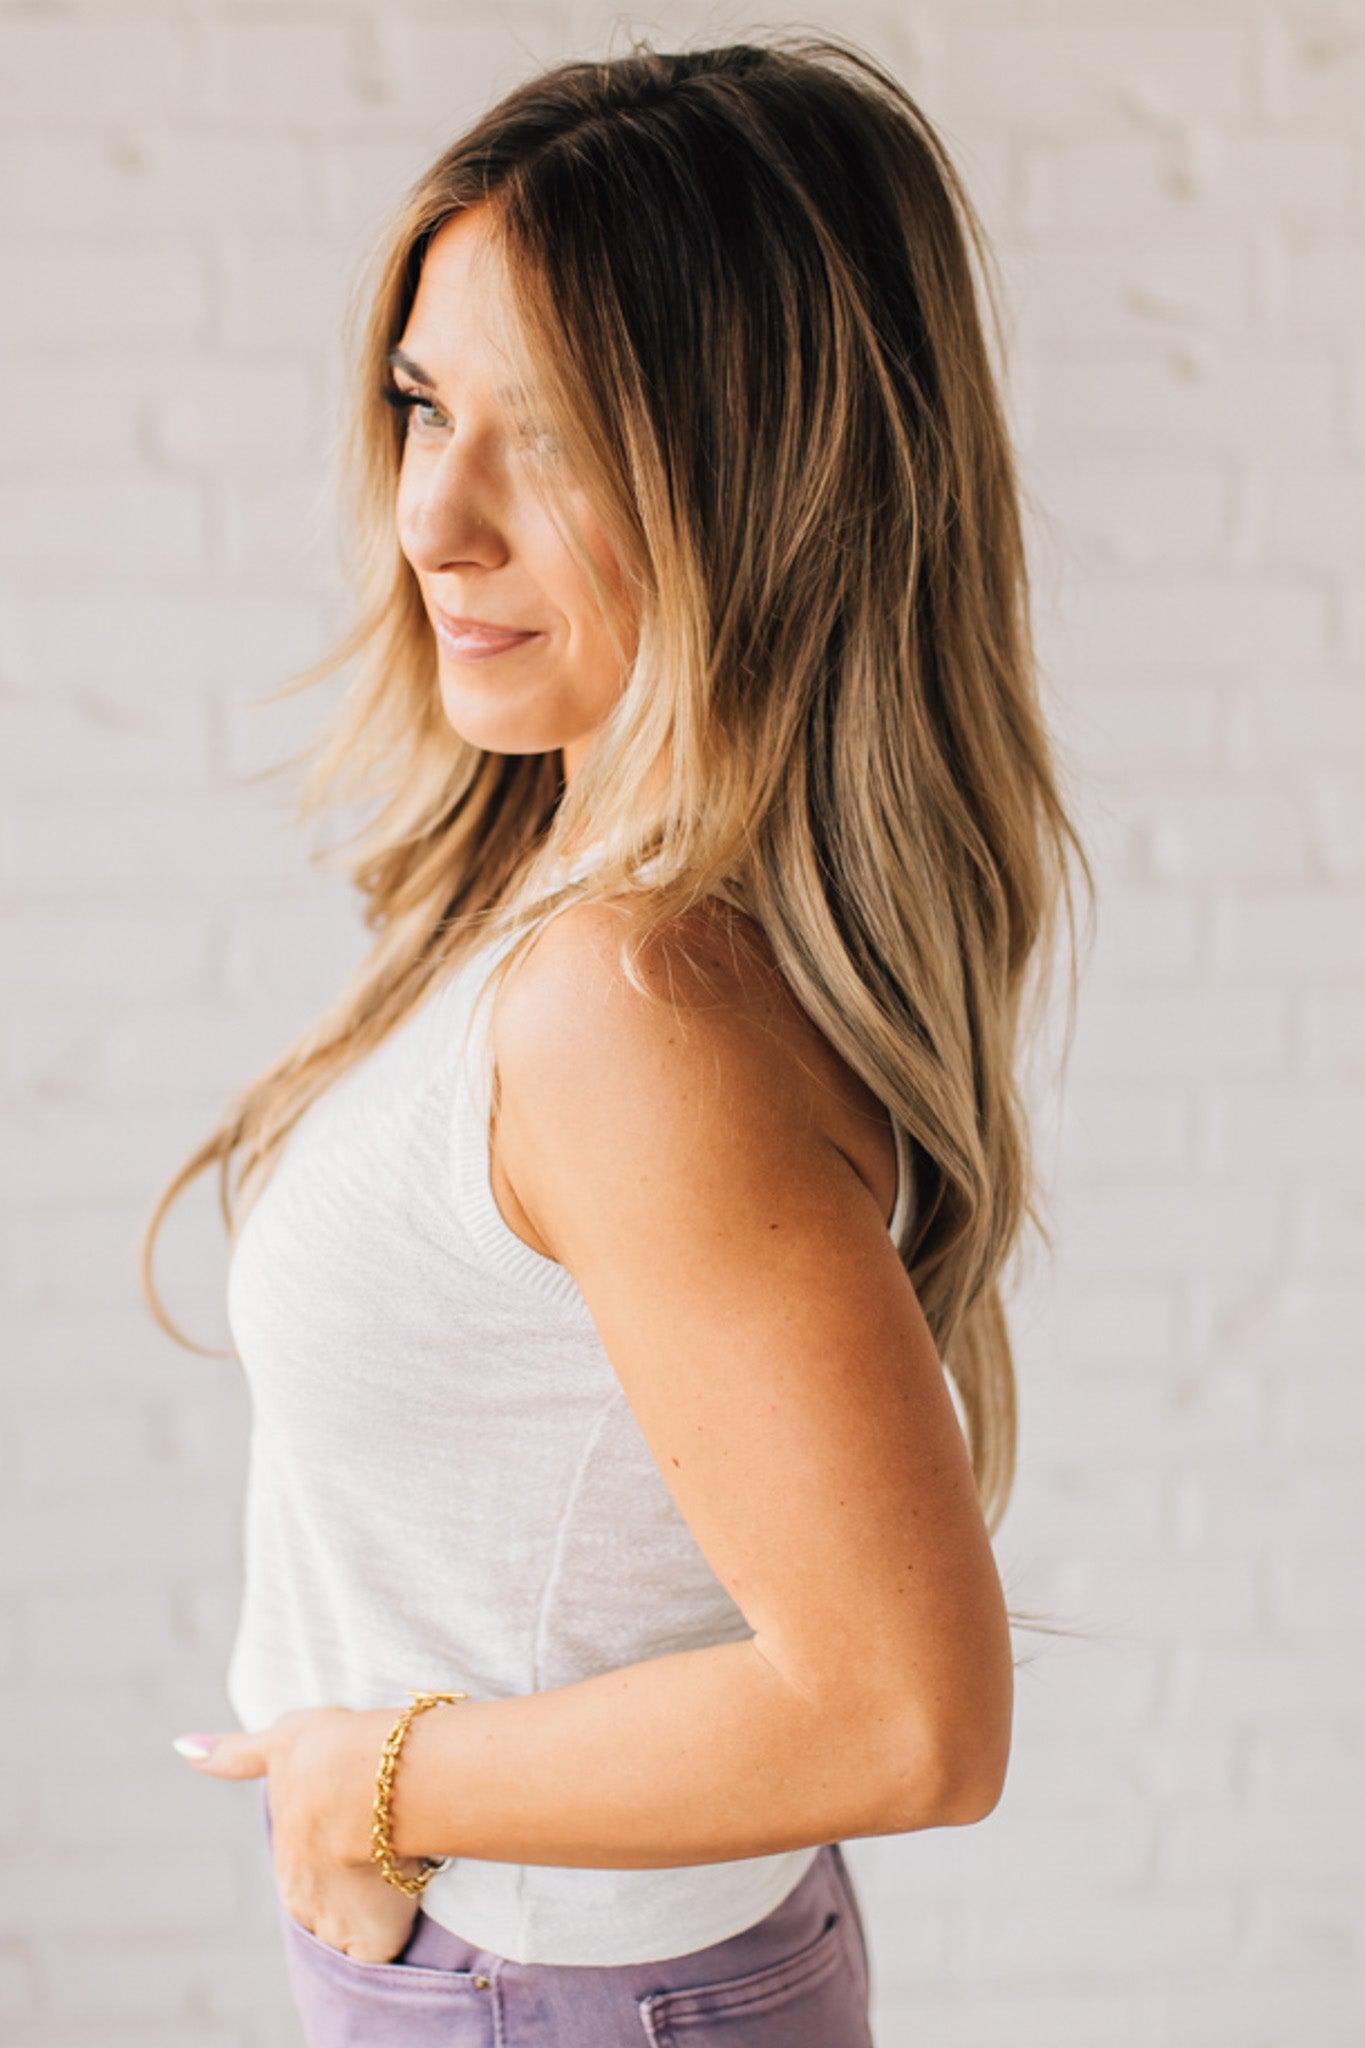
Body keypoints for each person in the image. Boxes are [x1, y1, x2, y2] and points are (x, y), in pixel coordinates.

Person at [141, 31, 1095, 2047]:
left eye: (553, 434)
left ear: (767, 484)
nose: (433, 515)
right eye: (422, 403)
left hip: (540, 1986)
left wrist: (369, 1778)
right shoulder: (569, 873)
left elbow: (904, 1713)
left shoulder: (635, 1007)